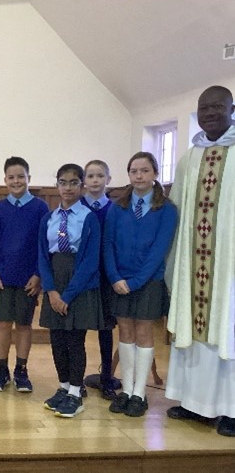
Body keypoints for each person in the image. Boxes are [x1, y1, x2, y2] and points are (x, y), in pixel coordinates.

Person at [165, 85, 235, 437]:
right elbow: (176, 209)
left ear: (231, 109)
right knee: (192, 331)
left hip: (229, 266)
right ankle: (194, 403)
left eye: (217, 107)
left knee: (228, 331)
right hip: (192, 261)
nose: (209, 113)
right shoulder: (190, 157)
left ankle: (231, 410)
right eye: (204, 108)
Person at [104, 152, 177, 417]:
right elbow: (108, 244)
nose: (139, 176)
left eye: (145, 170)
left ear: (155, 174)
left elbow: (159, 250)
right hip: (120, 281)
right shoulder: (118, 207)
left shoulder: (166, 209)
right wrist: (115, 277)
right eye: (134, 171)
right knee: (125, 332)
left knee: (144, 333)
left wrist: (135, 281)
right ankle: (126, 389)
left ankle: (139, 393)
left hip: (148, 281)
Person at [39, 163, 103, 418]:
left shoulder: (89, 218)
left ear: (82, 186)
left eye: (74, 182)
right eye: (63, 182)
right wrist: (51, 290)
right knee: (57, 340)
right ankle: (64, 386)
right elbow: (42, 256)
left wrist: (67, 295)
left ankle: (76, 392)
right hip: (55, 280)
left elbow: (90, 260)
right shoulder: (49, 218)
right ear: (57, 185)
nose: (68, 188)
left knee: (75, 340)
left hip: (79, 284)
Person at [0, 156, 48, 393]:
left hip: (28, 278)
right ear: (5, 180)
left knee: (23, 324)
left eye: (21, 176)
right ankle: (1, 370)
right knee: (2, 323)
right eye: (11, 177)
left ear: (28, 178)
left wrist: (38, 274)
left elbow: (43, 244)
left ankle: (21, 370)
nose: (16, 181)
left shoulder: (40, 208)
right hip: (3, 275)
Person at [80, 160, 120, 400]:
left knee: (106, 329)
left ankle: (106, 377)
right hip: (83, 278)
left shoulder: (115, 209)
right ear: (84, 180)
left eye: (100, 176)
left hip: (106, 277)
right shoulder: (78, 207)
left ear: (108, 179)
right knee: (79, 331)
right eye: (90, 176)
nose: (95, 180)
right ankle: (76, 379)